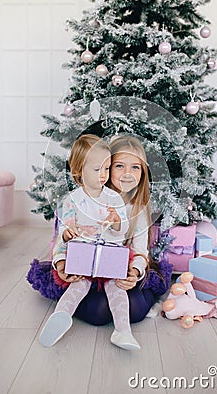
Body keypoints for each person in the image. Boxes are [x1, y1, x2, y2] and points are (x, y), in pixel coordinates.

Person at [39, 134, 141, 350]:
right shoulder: (72, 201)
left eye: (107, 168)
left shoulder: (113, 199)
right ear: (79, 171)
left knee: (117, 288)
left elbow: (122, 231)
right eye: (97, 170)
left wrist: (116, 222)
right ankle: (60, 317)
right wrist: (68, 235)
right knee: (78, 285)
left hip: (109, 257)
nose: (104, 175)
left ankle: (123, 332)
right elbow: (64, 233)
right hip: (83, 258)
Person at [68, 135, 162, 326]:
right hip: (90, 268)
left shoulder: (138, 209)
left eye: (135, 167)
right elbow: (69, 235)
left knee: (134, 310)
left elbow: (140, 250)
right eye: (119, 166)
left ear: (143, 172)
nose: (127, 173)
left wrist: (134, 272)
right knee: (99, 313)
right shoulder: (89, 199)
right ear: (106, 167)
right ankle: (66, 309)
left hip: (120, 270)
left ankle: (152, 296)